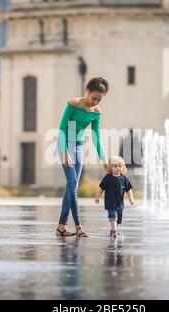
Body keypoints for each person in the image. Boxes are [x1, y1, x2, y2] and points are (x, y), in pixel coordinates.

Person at [56, 77, 109, 238]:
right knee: (72, 184)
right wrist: (65, 152)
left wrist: (103, 159)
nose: (95, 102)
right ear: (88, 92)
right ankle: (79, 226)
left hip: (79, 145)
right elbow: (62, 129)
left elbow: (96, 137)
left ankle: (61, 227)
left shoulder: (96, 112)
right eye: (94, 98)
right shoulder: (74, 105)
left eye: (99, 100)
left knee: (72, 187)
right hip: (65, 143)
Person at [95, 155, 134, 239]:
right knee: (113, 217)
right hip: (110, 203)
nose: (118, 168)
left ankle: (113, 230)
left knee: (118, 220)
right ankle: (114, 231)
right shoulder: (108, 178)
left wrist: (131, 198)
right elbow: (102, 187)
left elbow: (128, 189)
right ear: (110, 167)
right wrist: (98, 196)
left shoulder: (124, 179)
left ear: (123, 167)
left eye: (120, 166)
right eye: (115, 166)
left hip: (119, 204)